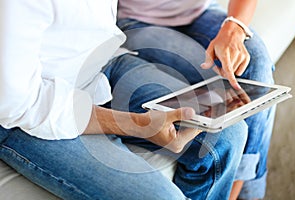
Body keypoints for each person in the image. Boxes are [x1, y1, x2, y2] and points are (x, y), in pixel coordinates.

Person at [0, 1, 248, 200]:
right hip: (31, 108)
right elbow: (18, 102)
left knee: (226, 130)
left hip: (103, 62)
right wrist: (136, 124)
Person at [117, 0, 276, 199]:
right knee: (212, 76)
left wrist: (235, 26)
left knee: (256, 64)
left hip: (200, 12)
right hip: (138, 21)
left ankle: (242, 194)